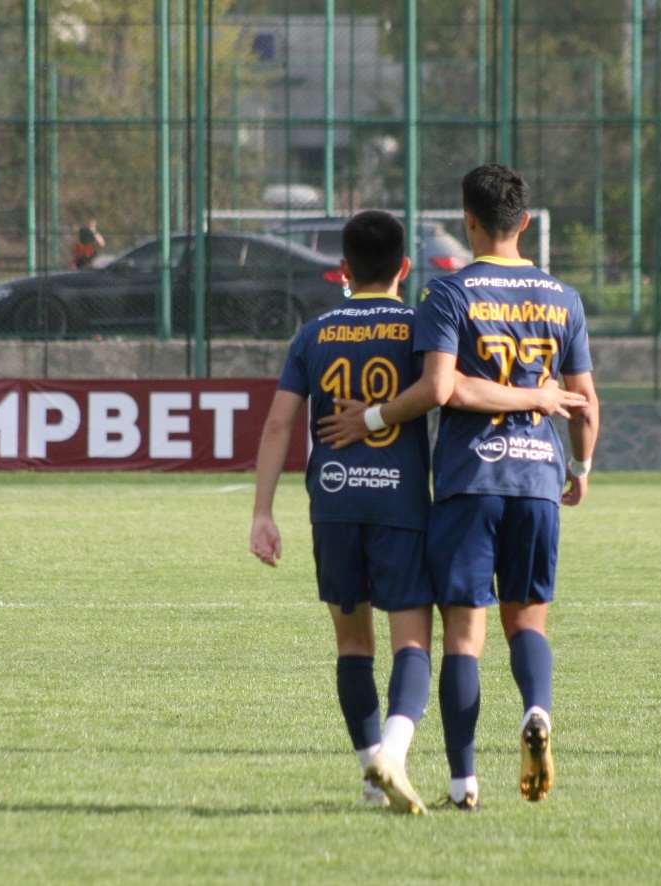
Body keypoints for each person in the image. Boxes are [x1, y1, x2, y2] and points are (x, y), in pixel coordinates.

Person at [250, 209, 584, 815]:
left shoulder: (314, 333)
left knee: (352, 643)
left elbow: (277, 424)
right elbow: (445, 387)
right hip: (403, 503)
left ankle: (370, 773)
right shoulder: (416, 325)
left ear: (343, 270)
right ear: (405, 267)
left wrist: (262, 512)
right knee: (415, 640)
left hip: (333, 503)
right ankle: (397, 752)